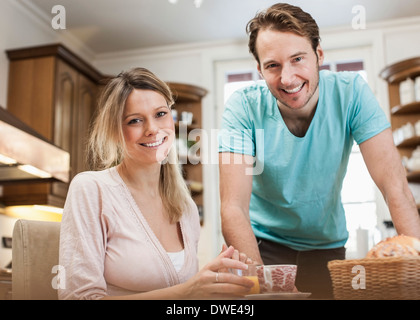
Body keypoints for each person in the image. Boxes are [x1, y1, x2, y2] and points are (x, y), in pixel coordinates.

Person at [218, 3, 420, 299]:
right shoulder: (243, 107)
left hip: (326, 246)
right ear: (259, 68)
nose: (287, 78)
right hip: (262, 245)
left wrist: (415, 267)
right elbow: (232, 207)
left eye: (297, 59)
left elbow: (395, 187)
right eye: (272, 65)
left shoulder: (351, 92)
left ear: (319, 55)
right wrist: (266, 286)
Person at [58, 67, 254, 300]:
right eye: (135, 120)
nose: (152, 129)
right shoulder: (91, 189)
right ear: (115, 131)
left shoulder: (186, 209)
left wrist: (214, 285)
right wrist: (189, 290)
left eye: (160, 114)